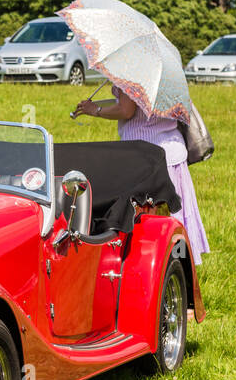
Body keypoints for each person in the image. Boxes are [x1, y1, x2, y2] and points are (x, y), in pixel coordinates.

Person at [72, 86, 209, 265]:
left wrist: (95, 110)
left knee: (146, 218)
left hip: (144, 156)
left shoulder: (131, 69)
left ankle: (152, 263)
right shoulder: (164, 71)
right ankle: (179, 265)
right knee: (175, 216)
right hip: (173, 151)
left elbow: (126, 110)